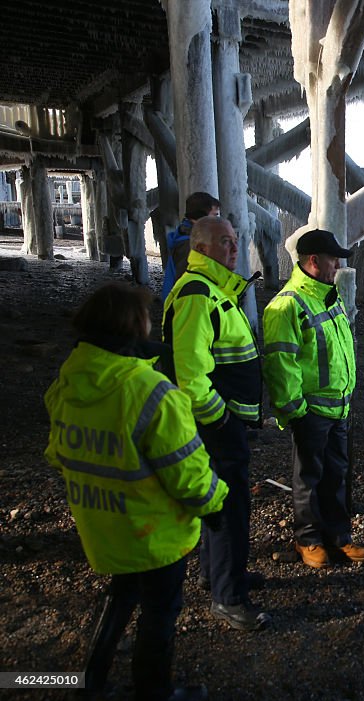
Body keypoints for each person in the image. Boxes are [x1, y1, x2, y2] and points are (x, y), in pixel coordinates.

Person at [44, 282, 227, 701]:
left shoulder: (68, 380)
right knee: (160, 614)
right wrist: (214, 504)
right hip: (155, 533)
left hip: (103, 524)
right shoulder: (151, 391)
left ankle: (87, 685)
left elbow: (58, 454)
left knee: (120, 596)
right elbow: (188, 473)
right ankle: (154, 691)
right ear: (132, 326)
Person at [163, 216, 268, 631]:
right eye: (225, 242)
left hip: (224, 423)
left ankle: (218, 574)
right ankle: (228, 596)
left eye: (235, 241)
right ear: (200, 249)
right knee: (229, 506)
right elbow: (190, 375)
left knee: (218, 502)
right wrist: (220, 419)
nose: (234, 248)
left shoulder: (215, 290)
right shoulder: (197, 295)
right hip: (217, 426)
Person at [263, 229, 364, 568]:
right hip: (312, 410)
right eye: (332, 259)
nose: (337, 265)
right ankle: (307, 539)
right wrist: (296, 410)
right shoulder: (287, 305)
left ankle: (338, 536)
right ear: (313, 261)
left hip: (338, 407)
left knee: (336, 473)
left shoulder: (327, 295)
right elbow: (281, 363)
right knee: (308, 476)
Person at [161, 192, 220, 301]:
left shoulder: (186, 236)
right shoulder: (188, 245)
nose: (217, 221)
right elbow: (185, 284)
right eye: (215, 215)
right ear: (201, 216)